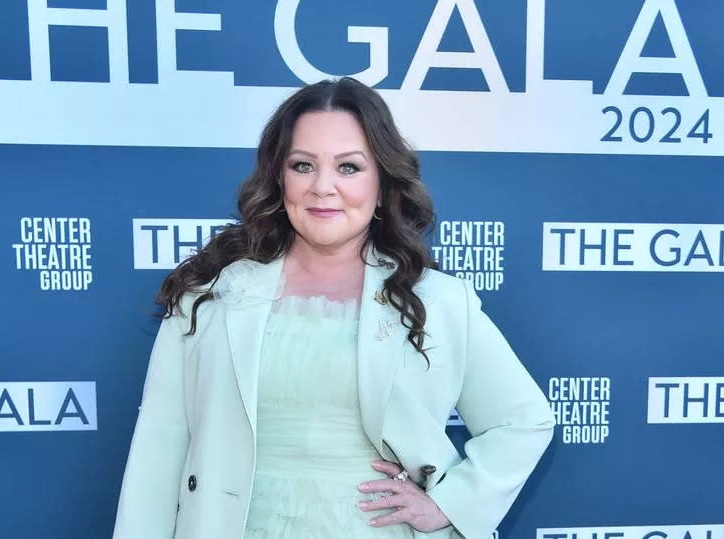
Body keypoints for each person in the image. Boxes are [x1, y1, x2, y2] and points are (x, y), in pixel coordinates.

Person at [112, 76, 555, 539]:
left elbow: (523, 420)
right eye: (303, 165)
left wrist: (450, 503)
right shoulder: (210, 296)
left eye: (348, 168)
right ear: (278, 177)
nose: (323, 187)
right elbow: (158, 455)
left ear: (382, 183)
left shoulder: (438, 301)